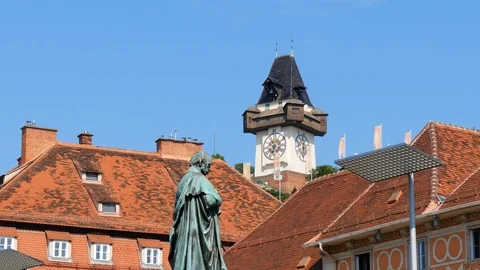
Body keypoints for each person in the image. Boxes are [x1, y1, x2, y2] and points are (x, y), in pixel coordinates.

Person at [169, 150, 227, 270]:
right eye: (208, 165)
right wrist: (218, 197)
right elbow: (210, 200)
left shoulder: (183, 181)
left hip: (185, 234)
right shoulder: (199, 179)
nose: (209, 169)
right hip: (197, 234)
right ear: (201, 163)